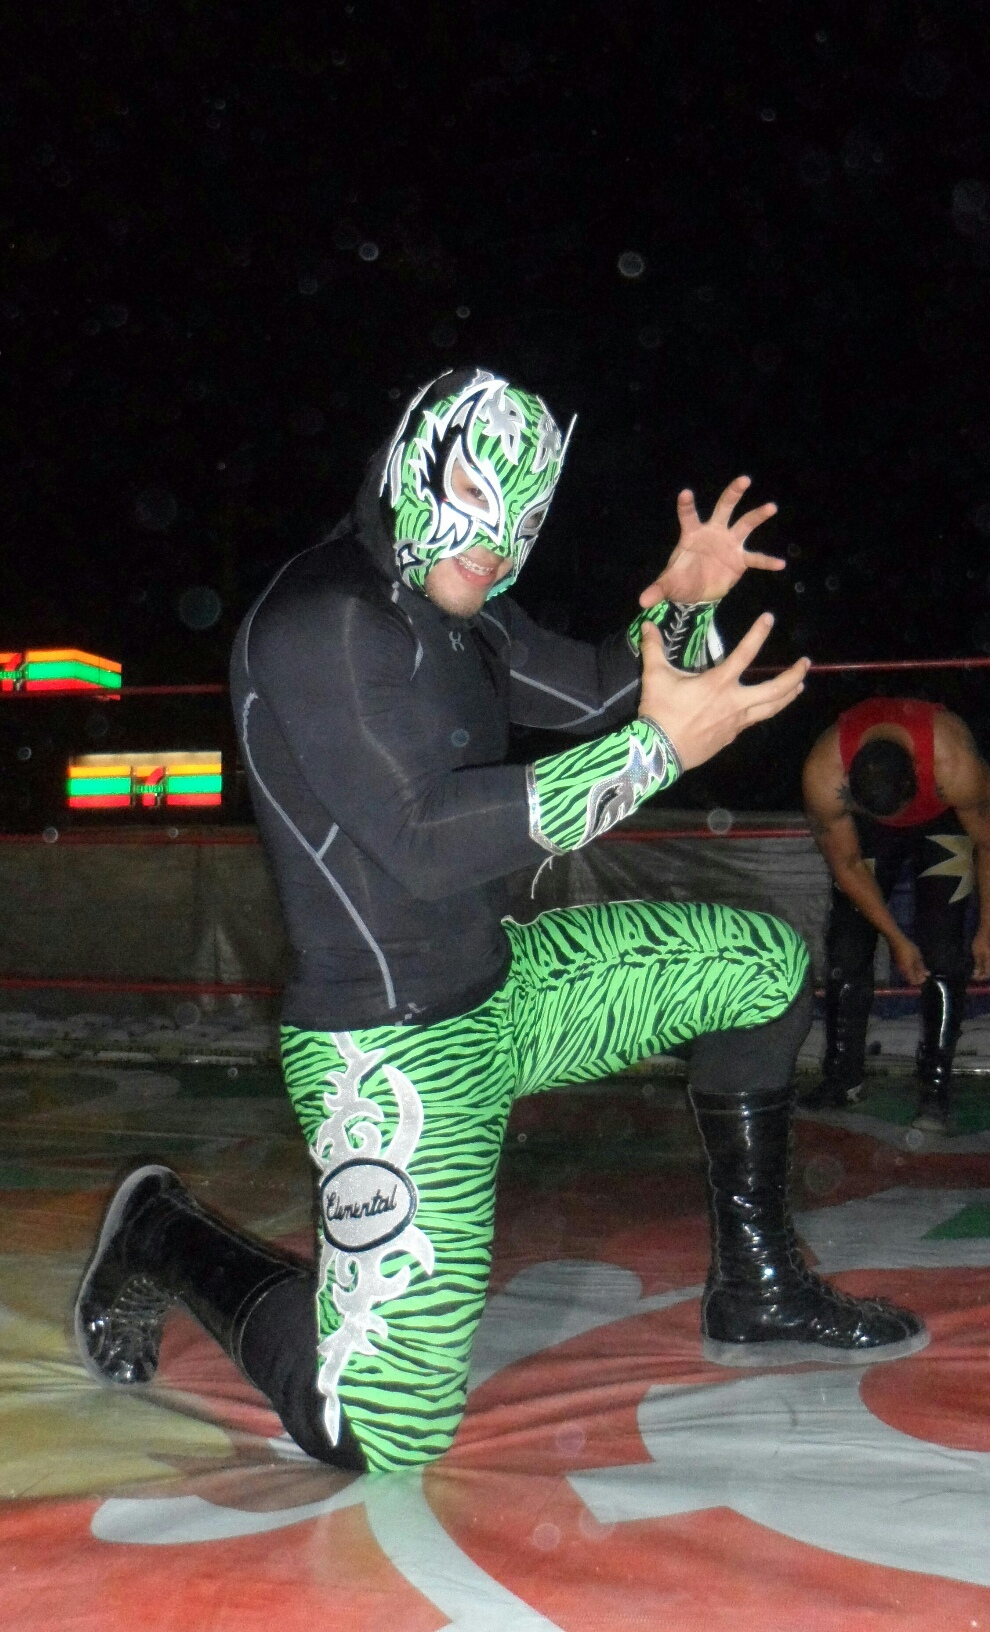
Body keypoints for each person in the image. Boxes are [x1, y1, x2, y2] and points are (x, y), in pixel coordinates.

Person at [75, 369, 926, 1477]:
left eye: (524, 518)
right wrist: (657, 756)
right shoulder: (321, 622)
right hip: (388, 1050)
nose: (497, 540)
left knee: (762, 966)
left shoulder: (457, 612)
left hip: (510, 992)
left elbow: (602, 689)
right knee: (382, 1433)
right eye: (479, 492)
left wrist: (680, 602)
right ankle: (160, 1229)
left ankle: (756, 1287)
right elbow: (421, 838)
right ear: (409, 463)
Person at [802, 697, 990, 1130]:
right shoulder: (823, 775)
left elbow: (987, 842)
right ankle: (843, 1078)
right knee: (847, 945)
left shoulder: (953, 762)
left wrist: (986, 927)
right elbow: (847, 864)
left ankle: (935, 1088)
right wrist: (896, 938)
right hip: (866, 829)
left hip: (942, 818)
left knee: (944, 951)